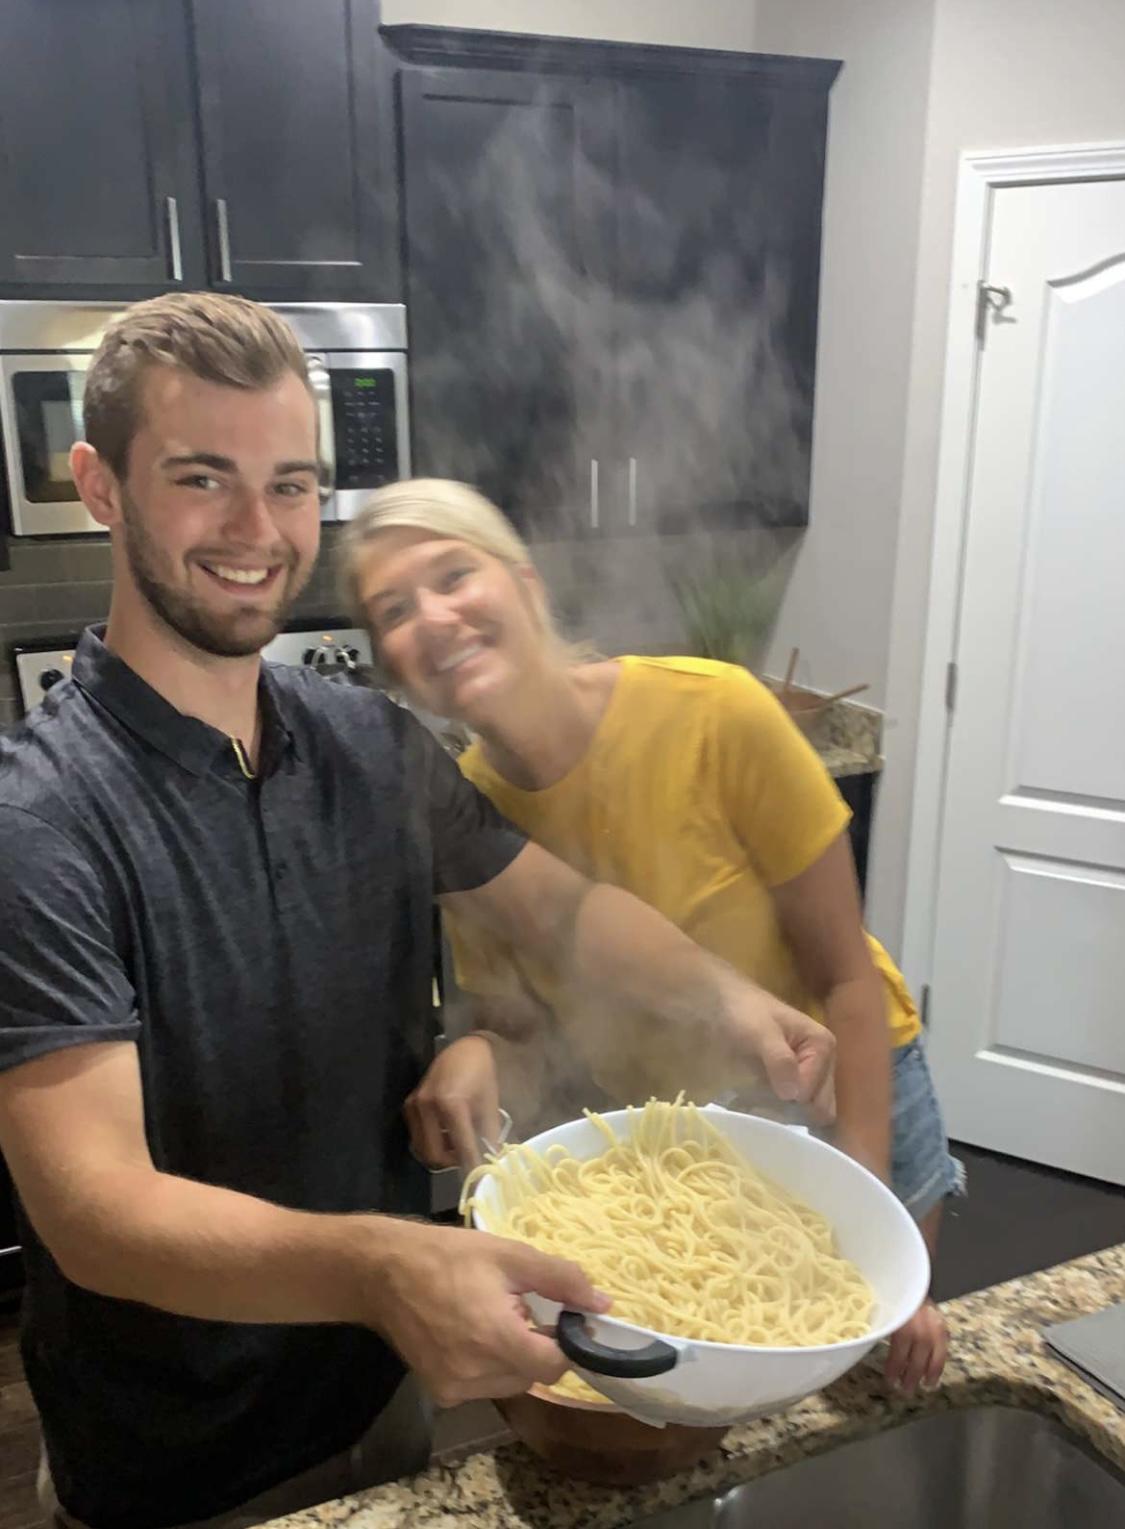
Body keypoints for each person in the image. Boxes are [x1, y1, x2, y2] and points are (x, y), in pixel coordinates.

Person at [0, 296, 835, 1529]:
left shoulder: (368, 741)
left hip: (385, 1401)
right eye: (201, 478)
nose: (256, 529)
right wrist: (389, 1263)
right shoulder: (45, 816)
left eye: (290, 485)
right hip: (176, 1466)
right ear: (100, 485)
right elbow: (96, 1212)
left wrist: (728, 998)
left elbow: (561, 913)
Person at [341, 478, 964, 1399]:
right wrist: (474, 1052)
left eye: (453, 574)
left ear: (524, 585)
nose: (432, 617)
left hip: (843, 1099)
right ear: (392, 665)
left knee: (856, 1380)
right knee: (722, 1409)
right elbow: (524, 1035)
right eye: (395, 609)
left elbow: (846, 978)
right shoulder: (464, 814)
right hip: (676, 1151)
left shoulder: (715, 713)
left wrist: (871, 1233)